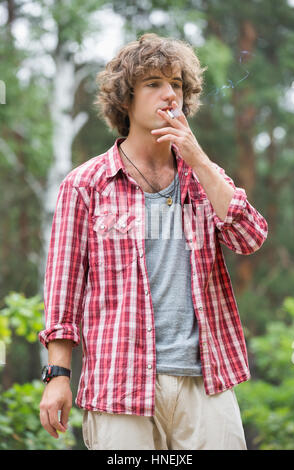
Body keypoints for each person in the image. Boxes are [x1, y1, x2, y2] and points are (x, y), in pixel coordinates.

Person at [39, 33, 268, 450]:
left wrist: (198, 160)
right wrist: (58, 376)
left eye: (177, 84)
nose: (169, 95)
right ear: (126, 99)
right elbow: (63, 290)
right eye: (153, 84)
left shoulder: (204, 176)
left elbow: (250, 237)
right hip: (119, 383)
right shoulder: (85, 185)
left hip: (206, 380)